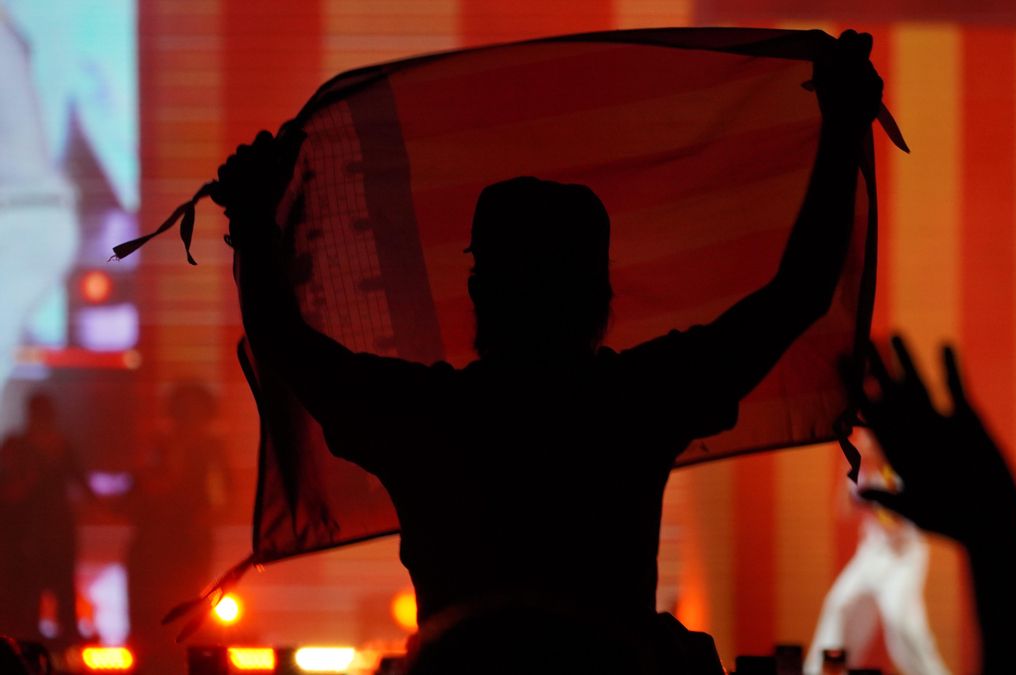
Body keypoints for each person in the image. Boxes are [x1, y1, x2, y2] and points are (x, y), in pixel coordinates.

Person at [216, 30, 882, 672]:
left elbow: (286, 346)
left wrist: (253, 221)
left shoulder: (423, 419)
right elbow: (799, 291)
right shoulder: (634, 404)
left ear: (480, 290)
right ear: (602, 293)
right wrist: (843, 125)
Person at [846, 336, 1016, 674]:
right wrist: (997, 525)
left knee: (907, 630)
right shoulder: (863, 460)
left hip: (901, 553)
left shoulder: (891, 465)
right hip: (876, 550)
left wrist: (993, 530)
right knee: (842, 611)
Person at [804, 429, 950, 675]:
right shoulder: (861, 471)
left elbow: (897, 522)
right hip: (871, 553)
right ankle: (820, 671)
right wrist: (846, 473)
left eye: (870, 440)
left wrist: (874, 496)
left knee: (902, 621)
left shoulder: (902, 470)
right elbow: (843, 511)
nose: (865, 445)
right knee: (840, 605)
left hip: (903, 556)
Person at [124, 382, 231, 675]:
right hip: (155, 546)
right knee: (152, 618)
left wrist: (202, 519)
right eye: (183, 412)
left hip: (188, 546)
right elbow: (145, 488)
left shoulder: (211, 450)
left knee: (186, 612)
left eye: (194, 412)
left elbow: (224, 496)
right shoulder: (160, 446)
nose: (187, 419)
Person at [0, 392, 89, 647]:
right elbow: (9, 489)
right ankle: (31, 642)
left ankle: (63, 641)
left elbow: (80, 482)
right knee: (29, 589)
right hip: (28, 531)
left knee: (60, 586)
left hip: (55, 529)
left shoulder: (59, 446)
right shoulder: (18, 446)